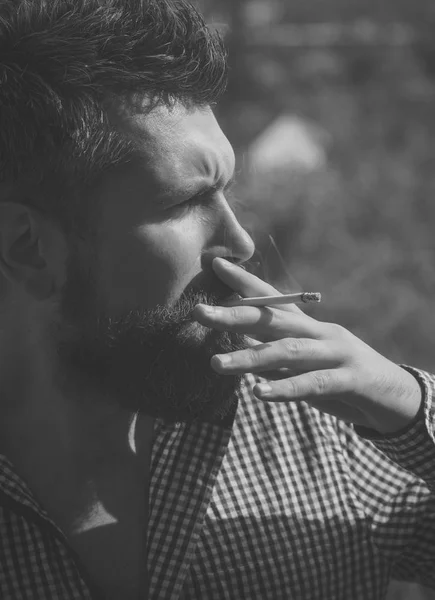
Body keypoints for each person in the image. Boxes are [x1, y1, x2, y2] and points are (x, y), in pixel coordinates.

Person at [0, 1, 433, 599]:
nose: (241, 241)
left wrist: (408, 405)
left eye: (228, 191)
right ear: (29, 248)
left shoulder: (321, 436)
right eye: (184, 202)